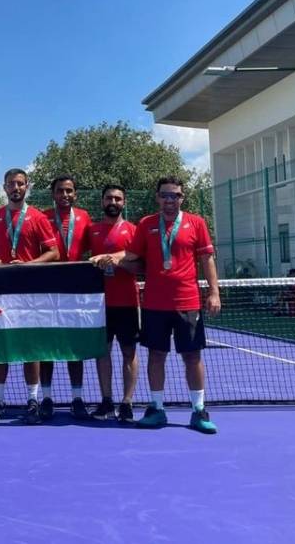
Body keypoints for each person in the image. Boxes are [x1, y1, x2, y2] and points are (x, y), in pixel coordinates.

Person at [92, 175, 221, 434]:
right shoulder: (146, 224)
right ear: (157, 198)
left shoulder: (196, 223)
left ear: (182, 198)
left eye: (175, 195)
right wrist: (110, 257)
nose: (170, 200)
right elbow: (132, 254)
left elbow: (207, 259)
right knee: (156, 356)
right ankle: (157, 408)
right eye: (165, 195)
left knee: (192, 356)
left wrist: (214, 293)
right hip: (153, 304)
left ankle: (199, 410)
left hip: (188, 303)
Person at [0, 168, 59, 424]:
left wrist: (29, 265)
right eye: (11, 184)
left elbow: (53, 252)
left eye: (20, 183)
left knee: (31, 347)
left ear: (27, 186)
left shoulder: (38, 217)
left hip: (30, 291)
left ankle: (32, 400)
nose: (15, 188)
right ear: (4, 187)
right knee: (0, 347)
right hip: (1, 291)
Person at [41, 174, 92, 420]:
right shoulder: (42, 217)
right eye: (60, 191)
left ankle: (77, 399)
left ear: (75, 194)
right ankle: (46, 398)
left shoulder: (84, 217)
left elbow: (93, 247)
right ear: (53, 194)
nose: (65, 195)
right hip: (47, 289)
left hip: (75, 289)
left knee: (75, 348)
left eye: (69, 190)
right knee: (47, 347)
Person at [88, 185, 139, 423]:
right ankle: (106, 401)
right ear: (102, 202)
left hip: (127, 303)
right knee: (102, 352)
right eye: (109, 198)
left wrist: (119, 262)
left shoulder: (133, 231)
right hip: (99, 304)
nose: (113, 202)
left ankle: (127, 403)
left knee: (129, 352)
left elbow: (141, 266)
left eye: (118, 198)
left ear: (123, 203)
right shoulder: (92, 230)